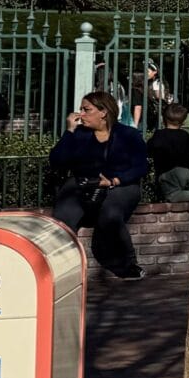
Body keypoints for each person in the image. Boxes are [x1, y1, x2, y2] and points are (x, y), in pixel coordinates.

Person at [49, 90, 149, 280]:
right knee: (62, 218)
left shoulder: (128, 135)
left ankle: (125, 264)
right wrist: (69, 131)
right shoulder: (79, 134)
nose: (81, 114)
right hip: (83, 183)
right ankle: (63, 268)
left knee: (110, 214)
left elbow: (140, 166)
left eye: (87, 110)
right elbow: (57, 161)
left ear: (103, 112)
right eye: (81, 109)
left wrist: (114, 180)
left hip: (120, 184)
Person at [148, 102, 189, 202]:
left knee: (172, 196)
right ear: (183, 122)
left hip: (167, 172)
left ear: (163, 119)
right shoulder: (186, 136)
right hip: (185, 171)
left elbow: (149, 150)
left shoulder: (159, 135)